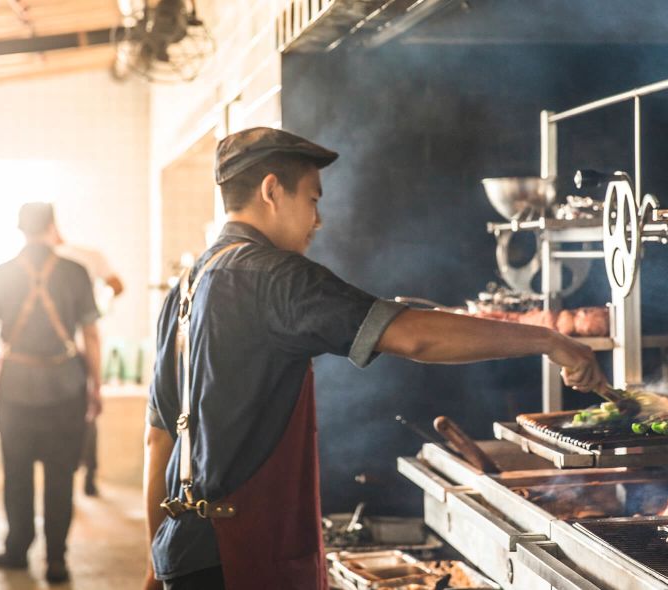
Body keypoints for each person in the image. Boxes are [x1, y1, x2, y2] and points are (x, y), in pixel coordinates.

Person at [142, 127, 607, 590]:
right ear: (270, 191)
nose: (317, 220)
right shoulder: (277, 277)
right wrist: (548, 340)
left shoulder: (186, 288)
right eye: (312, 199)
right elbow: (414, 338)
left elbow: (158, 438)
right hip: (242, 558)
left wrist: (155, 561)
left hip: (184, 553)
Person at [0, 202, 103, 584]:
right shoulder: (75, 272)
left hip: (15, 388)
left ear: (20, 229)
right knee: (61, 475)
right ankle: (57, 560)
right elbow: (91, 334)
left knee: (17, 473)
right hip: (66, 387)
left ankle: (16, 550)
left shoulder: (3, 273)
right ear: (52, 226)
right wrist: (96, 385)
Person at [53, 223, 125, 497]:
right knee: (89, 410)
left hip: (60, 348)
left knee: (63, 413)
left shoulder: (47, 261)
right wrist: (102, 307)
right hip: (86, 338)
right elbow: (118, 285)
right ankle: (90, 475)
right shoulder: (90, 255)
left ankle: (68, 476)